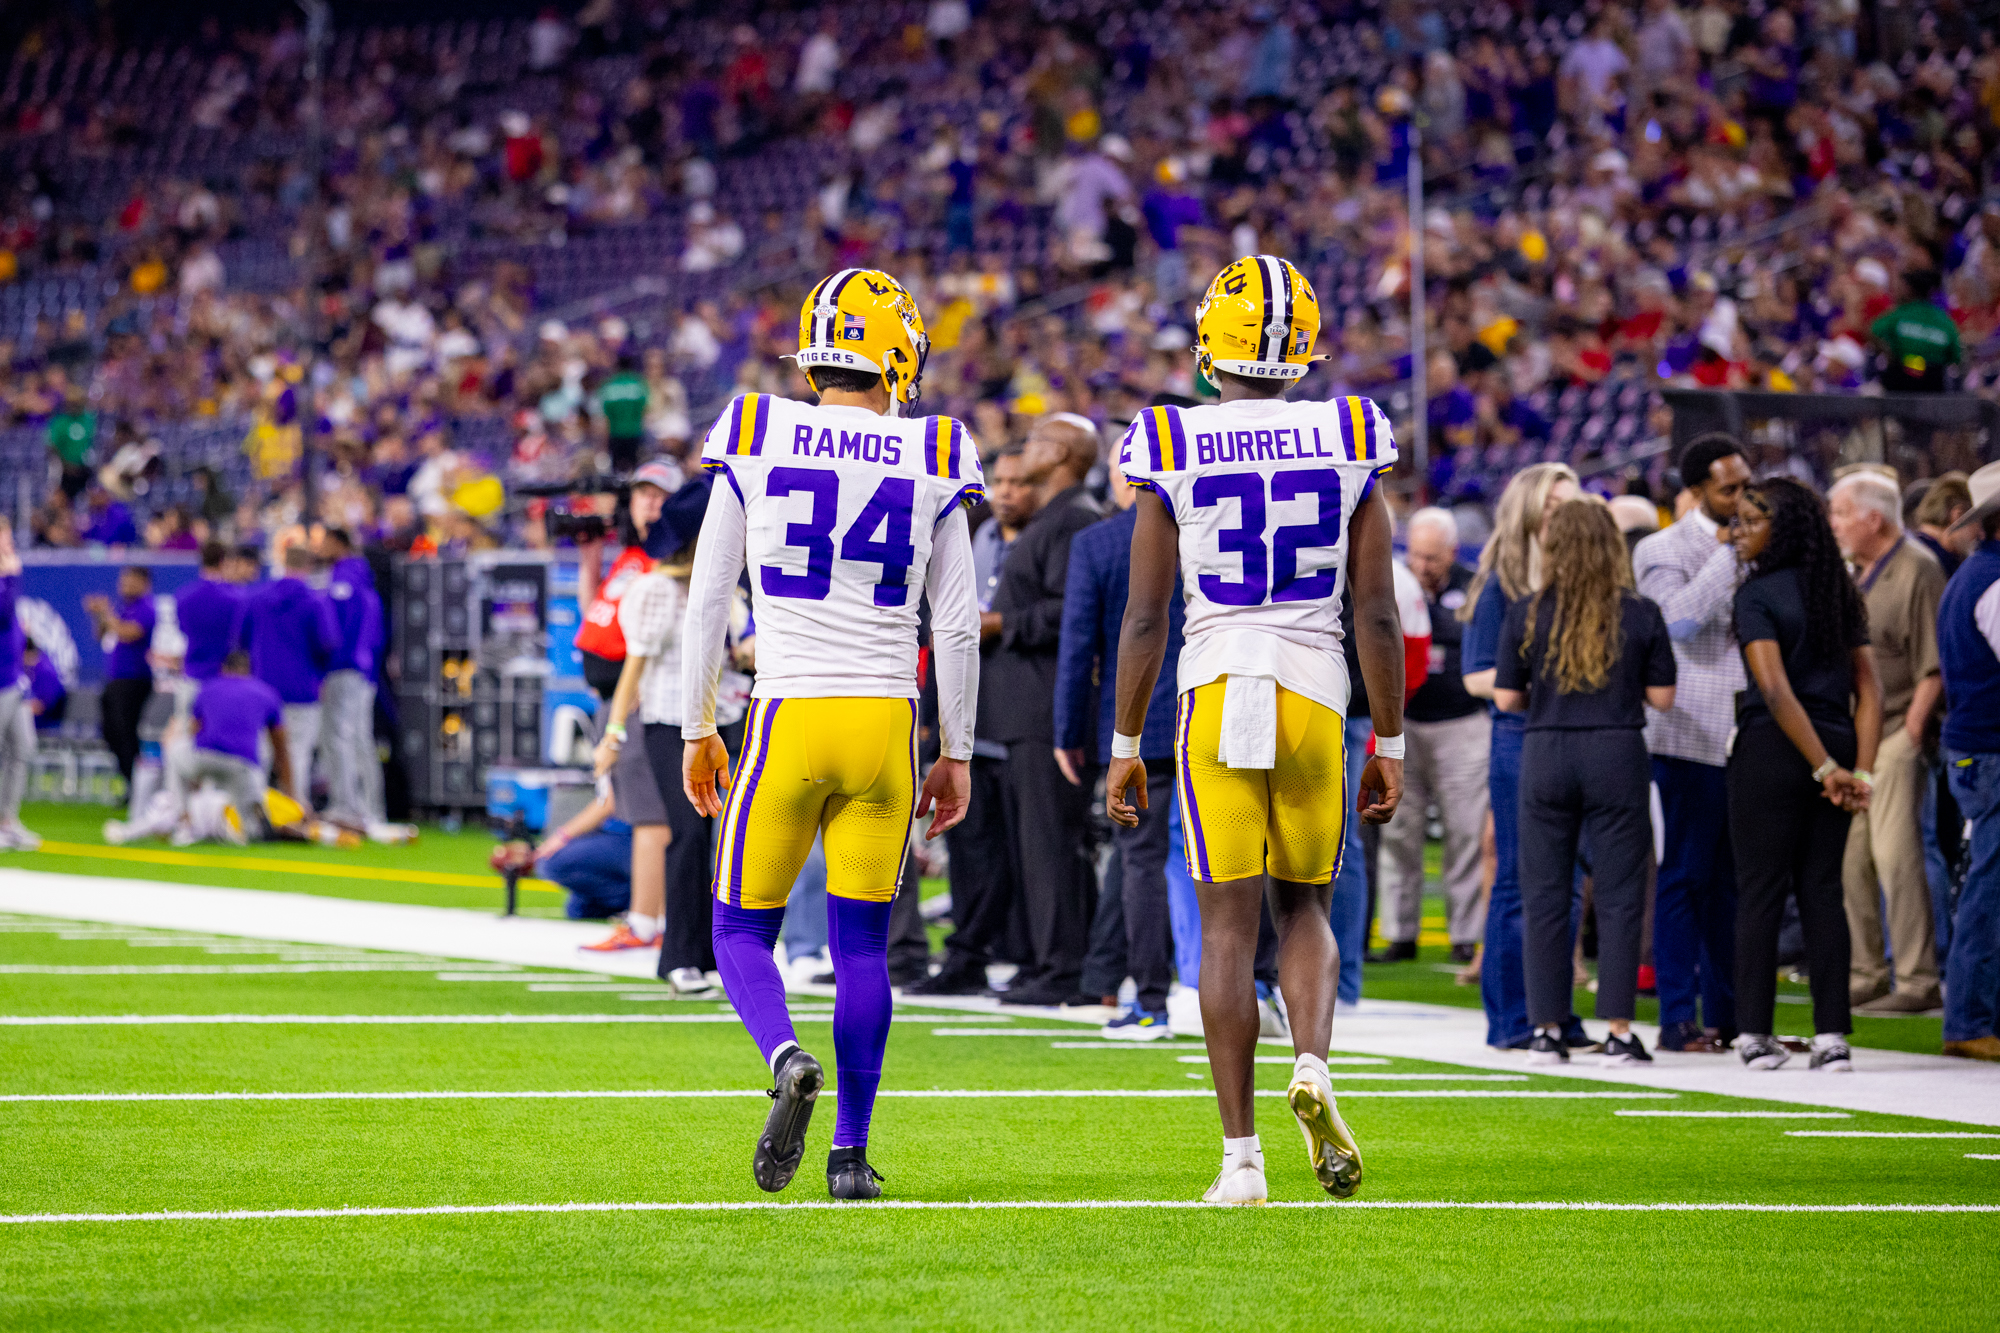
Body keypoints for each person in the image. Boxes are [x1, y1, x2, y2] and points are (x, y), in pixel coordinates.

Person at [1106, 255, 1407, 1206]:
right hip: (1314, 688)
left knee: (1227, 928)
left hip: (1216, 681)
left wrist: (1125, 744)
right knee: (1305, 907)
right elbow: (1378, 611)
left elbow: (1145, 616)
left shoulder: (1168, 437)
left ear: (1210, 347)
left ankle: (1242, 1159)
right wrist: (1390, 741)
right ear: (1302, 349)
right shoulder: (1350, 431)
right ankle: (1311, 1060)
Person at [680, 269, 982, 1201]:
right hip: (886, 722)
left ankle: (785, 1056)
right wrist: (957, 750)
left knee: (738, 929)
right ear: (899, 357)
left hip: (789, 710)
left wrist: (697, 723)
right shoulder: (937, 447)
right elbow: (957, 624)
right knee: (861, 950)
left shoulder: (755, 428)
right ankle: (850, 1155)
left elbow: (707, 599)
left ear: (814, 357)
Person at [1496, 499, 1678, 1067]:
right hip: (1617, 750)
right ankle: (1619, 1031)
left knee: (1545, 895)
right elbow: (1663, 697)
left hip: (1546, 750)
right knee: (1621, 896)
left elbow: (1507, 697)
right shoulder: (1641, 612)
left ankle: (1546, 1029)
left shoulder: (1527, 612)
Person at [1728, 477, 1881, 1073]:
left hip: (1773, 748)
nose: (1737, 532)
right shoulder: (1839, 591)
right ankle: (1832, 1037)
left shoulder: (1755, 593)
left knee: (1761, 890)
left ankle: (1753, 1035)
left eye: (1750, 521)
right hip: (1836, 742)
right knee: (1823, 890)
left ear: (1782, 529)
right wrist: (1857, 770)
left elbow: (1774, 689)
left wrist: (1825, 767)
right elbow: (1871, 692)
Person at [1055, 439, 1186, 1036]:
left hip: (1142, 720)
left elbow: (1079, 647)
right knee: (1244, 855)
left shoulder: (1100, 542)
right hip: (1219, 704)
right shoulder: (1201, 527)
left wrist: (1069, 731)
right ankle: (1260, 987)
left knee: (1140, 861)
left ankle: (1152, 1000)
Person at [1460, 463, 1586, 1051]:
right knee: (1516, 879)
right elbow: (1475, 676)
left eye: (1571, 504)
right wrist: (1543, 681)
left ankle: (1556, 1015)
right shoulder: (1501, 583)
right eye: (1553, 505)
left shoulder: (1582, 580)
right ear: (1530, 511)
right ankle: (1512, 1017)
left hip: (1570, 735)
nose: (1564, 515)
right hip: (1519, 735)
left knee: (1570, 881)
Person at [1632, 434, 1751, 1053]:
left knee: (1734, 882)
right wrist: (1730, 557)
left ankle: (1731, 1018)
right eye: (1730, 489)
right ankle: (1677, 1018)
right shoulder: (1662, 547)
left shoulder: (1763, 540)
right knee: (1683, 874)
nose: (1741, 497)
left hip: (1751, 733)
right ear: (1698, 490)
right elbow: (1675, 620)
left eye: (1746, 485)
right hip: (1686, 733)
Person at [986, 414, 1104, 1008]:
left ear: (1058, 453)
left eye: (1035, 442)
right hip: (1026, 706)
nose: (1023, 450)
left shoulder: (1074, 518)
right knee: (1032, 844)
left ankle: (1064, 968)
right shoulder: (1054, 517)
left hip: (1046, 707)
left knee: (1051, 843)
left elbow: (1069, 612)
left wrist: (1001, 622)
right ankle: (1045, 959)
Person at [912, 445, 1037, 995]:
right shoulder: (978, 532)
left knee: (1017, 851)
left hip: (1017, 718)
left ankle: (1015, 954)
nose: (1005, 491)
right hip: (969, 722)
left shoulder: (1045, 538)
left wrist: (1004, 623)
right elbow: (942, 629)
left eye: (1018, 481)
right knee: (968, 847)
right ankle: (968, 954)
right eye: (1000, 481)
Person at [1827, 471, 1944, 1012]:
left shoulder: (1917, 568)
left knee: (1896, 857)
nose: (1834, 524)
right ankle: (1866, 971)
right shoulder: (1854, 573)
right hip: (1858, 739)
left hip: (1897, 729)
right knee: (1851, 861)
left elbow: (1933, 665)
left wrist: (1912, 733)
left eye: (1841, 513)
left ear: (1873, 518)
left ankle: (1917, 980)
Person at [597, 541, 719, 996]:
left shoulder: (729, 584)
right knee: (688, 832)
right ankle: (680, 957)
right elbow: (635, 663)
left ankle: (714, 952)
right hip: (672, 721)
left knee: (723, 840)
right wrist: (613, 733)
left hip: (728, 716)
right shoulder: (658, 589)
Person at [1378, 507, 1489, 963]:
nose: (1423, 566)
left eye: (1433, 557)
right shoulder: (1394, 582)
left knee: (1466, 832)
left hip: (1462, 723)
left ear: (1452, 552)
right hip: (1404, 723)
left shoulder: (1474, 585)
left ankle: (1466, 934)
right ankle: (1399, 933)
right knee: (1399, 831)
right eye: (1417, 555)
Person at [1936, 461, 2000, 1061]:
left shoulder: (1973, 574)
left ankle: (1975, 1014)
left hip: (1974, 750)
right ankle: (1970, 1019)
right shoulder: (1995, 583)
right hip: (1991, 751)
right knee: (1991, 881)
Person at [238, 544, 340, 806]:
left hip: (261, 686)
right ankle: (294, 810)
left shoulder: (257, 597)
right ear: (308, 567)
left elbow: (239, 642)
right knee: (297, 755)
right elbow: (328, 644)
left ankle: (252, 810)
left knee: (258, 753)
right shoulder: (314, 601)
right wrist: (321, 675)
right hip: (302, 687)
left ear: (284, 564)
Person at [315, 527, 386, 830]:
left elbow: (340, 630)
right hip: (364, 669)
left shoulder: (345, 579)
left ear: (338, 544)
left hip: (345, 667)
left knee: (340, 737)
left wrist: (330, 664)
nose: (321, 549)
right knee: (358, 739)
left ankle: (348, 807)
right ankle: (370, 809)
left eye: (325, 543)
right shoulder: (363, 580)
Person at [84, 565, 156, 790]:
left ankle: (136, 784)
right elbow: (100, 635)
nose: (124, 586)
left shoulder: (146, 607)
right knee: (110, 730)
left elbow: (128, 633)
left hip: (135, 679)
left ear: (144, 583)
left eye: (130, 582)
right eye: (123, 582)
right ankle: (129, 779)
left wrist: (106, 612)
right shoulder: (124, 607)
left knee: (125, 731)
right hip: (115, 678)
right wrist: (99, 615)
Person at [535, 785, 634, 921]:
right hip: (616, 832)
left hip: (630, 836)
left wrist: (561, 836)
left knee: (553, 862)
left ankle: (639, 897)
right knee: (578, 911)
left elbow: (608, 802)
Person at [0, 522, 38, 849]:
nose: (9, 548)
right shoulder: (7, 581)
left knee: (22, 748)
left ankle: (7, 821)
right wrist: (12, 576)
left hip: (13, 681)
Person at [1870, 269, 1960, 393]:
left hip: (1901, 378)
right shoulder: (1945, 320)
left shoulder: (1900, 314)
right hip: (1935, 383)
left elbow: (1873, 332)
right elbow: (1956, 357)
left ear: (1909, 290)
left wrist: (1887, 353)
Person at [174, 541, 246, 686]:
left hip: (192, 674)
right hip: (225, 676)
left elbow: (182, 629)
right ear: (224, 562)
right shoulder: (237, 598)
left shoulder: (183, 596)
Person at [593, 350, 650, 474]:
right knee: (634, 470)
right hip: (635, 433)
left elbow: (605, 416)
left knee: (616, 471)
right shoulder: (638, 384)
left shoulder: (609, 385)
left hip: (615, 433)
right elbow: (645, 410)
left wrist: (603, 443)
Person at [1911, 473, 1974, 578]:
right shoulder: (1931, 562)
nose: (1981, 533)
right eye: (1977, 521)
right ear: (1958, 515)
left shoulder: (1914, 548)